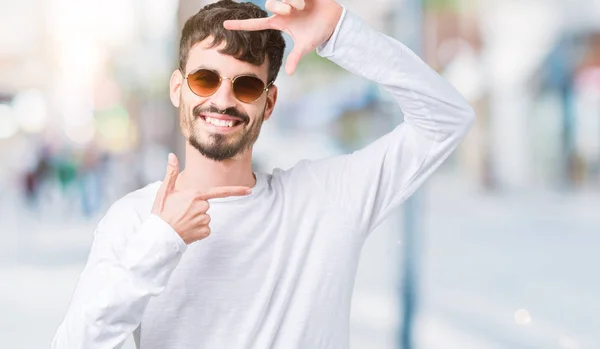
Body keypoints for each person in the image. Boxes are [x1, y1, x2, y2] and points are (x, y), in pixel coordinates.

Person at [52, 0, 475, 348]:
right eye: (205, 79)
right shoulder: (135, 220)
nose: (223, 99)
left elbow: (446, 119)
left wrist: (341, 33)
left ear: (268, 104)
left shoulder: (326, 199)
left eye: (246, 86)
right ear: (178, 88)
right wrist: (162, 239)